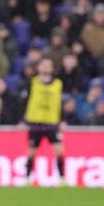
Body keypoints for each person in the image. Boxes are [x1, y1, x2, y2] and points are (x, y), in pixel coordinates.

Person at [21, 57, 67, 185]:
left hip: (52, 123)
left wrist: (63, 120)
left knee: (59, 151)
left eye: (48, 65)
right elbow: (25, 102)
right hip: (35, 123)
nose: (46, 68)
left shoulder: (58, 84)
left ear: (52, 69)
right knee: (31, 153)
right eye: (43, 65)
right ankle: (27, 178)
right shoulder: (32, 82)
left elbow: (60, 104)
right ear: (39, 68)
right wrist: (23, 120)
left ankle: (62, 179)